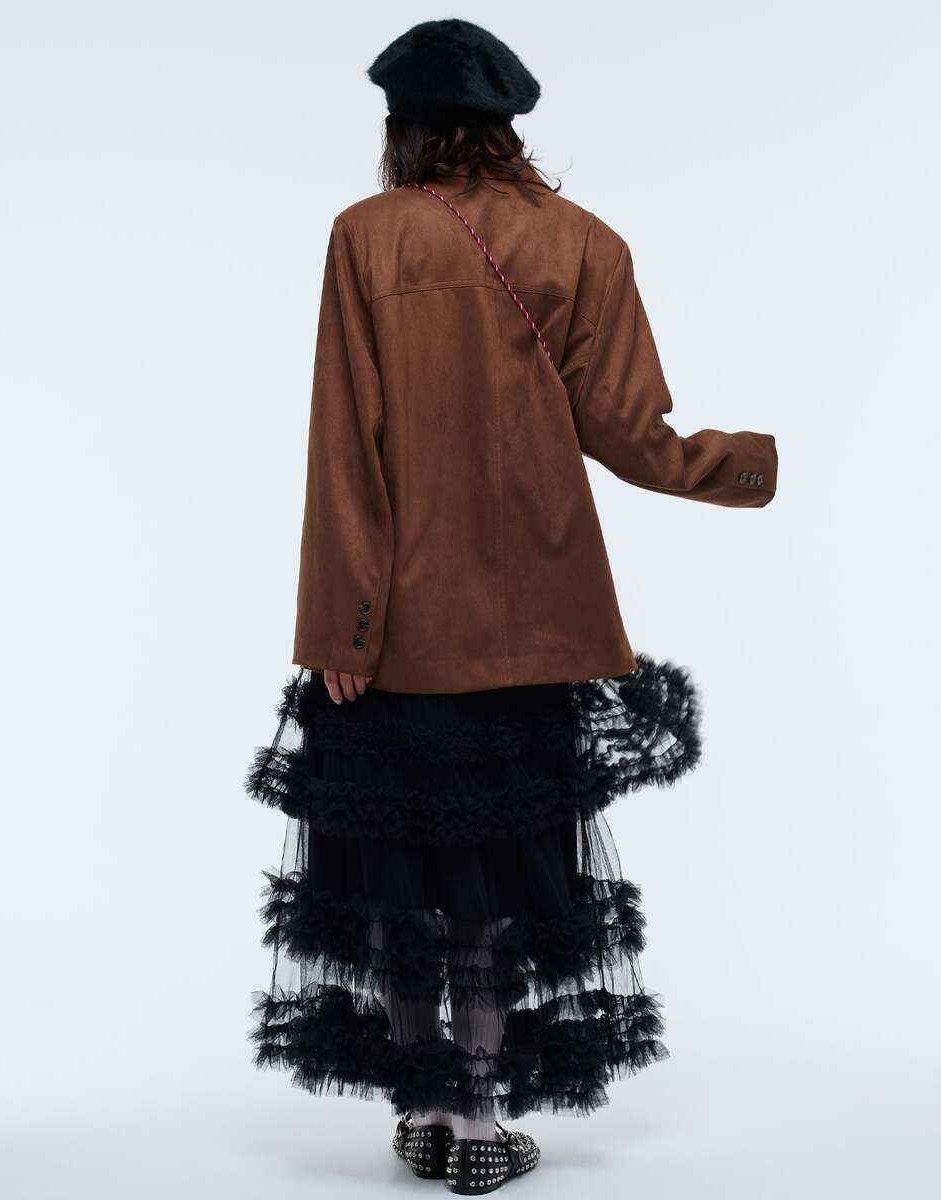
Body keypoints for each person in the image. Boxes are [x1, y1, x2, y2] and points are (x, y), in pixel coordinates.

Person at [247, 18, 777, 1194]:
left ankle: (428, 1109)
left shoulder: (365, 235)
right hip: (538, 623)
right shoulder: (585, 242)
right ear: (505, 125)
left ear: (404, 126)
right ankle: (485, 1121)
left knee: (401, 880)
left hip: (398, 627)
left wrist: (339, 626)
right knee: (492, 882)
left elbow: (345, 445)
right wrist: (744, 466)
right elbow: (628, 433)